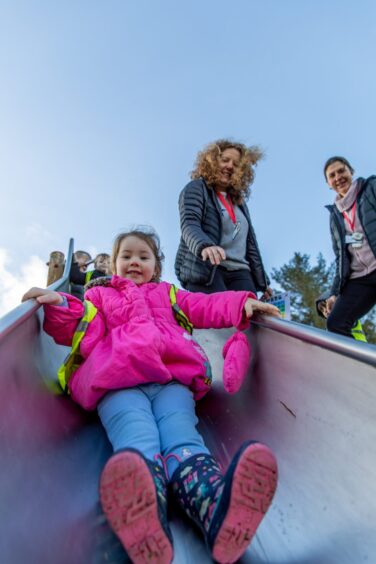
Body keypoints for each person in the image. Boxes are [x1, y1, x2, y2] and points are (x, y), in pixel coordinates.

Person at [22, 228, 280, 564]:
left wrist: (242, 303)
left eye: (142, 257)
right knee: (137, 437)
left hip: (172, 382)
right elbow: (78, 328)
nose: (134, 262)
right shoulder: (99, 298)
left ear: (155, 267)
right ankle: (144, 520)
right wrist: (59, 303)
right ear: (113, 265)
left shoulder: (169, 295)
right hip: (118, 384)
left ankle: (219, 509)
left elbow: (205, 306)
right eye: (126, 256)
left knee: (183, 440)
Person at [175, 139, 272, 298]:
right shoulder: (197, 188)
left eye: (236, 164)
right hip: (208, 269)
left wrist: (262, 281)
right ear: (212, 161)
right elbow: (189, 223)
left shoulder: (239, 203)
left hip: (241, 271)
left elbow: (249, 244)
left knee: (248, 320)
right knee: (220, 319)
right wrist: (204, 246)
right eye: (225, 160)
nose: (229, 166)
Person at [323, 156, 376, 339]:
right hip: (359, 279)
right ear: (329, 184)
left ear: (351, 171)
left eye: (341, 171)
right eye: (332, 175)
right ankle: (360, 368)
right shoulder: (335, 215)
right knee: (335, 323)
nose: (338, 177)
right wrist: (333, 293)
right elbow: (340, 257)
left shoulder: (370, 188)